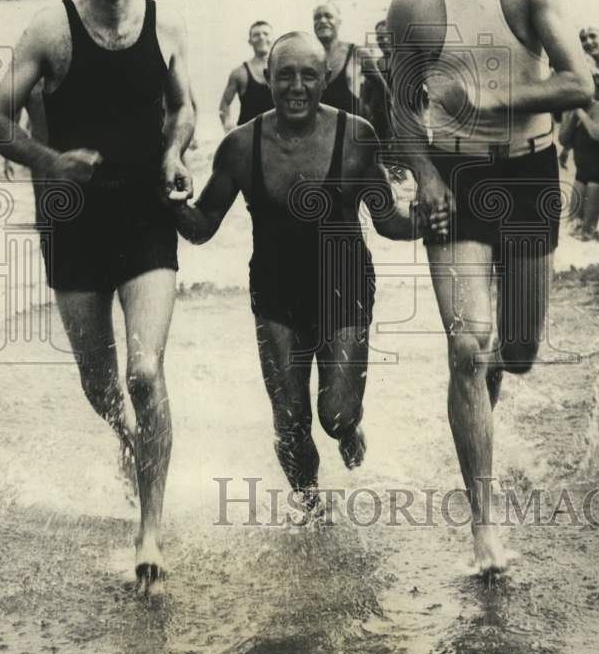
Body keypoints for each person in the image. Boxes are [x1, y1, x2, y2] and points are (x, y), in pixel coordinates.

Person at [388, 0, 593, 574]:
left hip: (530, 173)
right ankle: (483, 525)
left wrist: (490, 99)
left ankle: (477, 410)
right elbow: (402, 109)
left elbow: (578, 84)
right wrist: (425, 178)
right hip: (457, 177)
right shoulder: (413, 5)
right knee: (466, 346)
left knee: (518, 351)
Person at [0, 0, 195, 591]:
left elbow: (183, 107)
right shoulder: (51, 29)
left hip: (144, 219)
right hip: (72, 223)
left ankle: (150, 530)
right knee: (102, 388)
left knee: (145, 372)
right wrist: (51, 162)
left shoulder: (165, 26)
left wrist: (174, 153)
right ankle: (129, 443)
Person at [170, 31, 447, 515]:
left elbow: (388, 221)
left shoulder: (356, 136)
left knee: (335, 415)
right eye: (284, 76)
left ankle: (349, 426)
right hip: (275, 289)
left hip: (345, 284)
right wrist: (170, 201)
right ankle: (312, 508)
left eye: (308, 76)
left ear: (326, 78)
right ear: (267, 78)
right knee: (290, 419)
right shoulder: (240, 146)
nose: (296, 87)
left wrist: (428, 221)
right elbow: (202, 226)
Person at [313, 2, 390, 139]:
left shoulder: (357, 53)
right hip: (319, 137)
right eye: (317, 17)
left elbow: (384, 93)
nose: (322, 20)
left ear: (339, 21)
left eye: (328, 16)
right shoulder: (308, 57)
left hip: (350, 139)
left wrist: (386, 132)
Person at [559, 57, 599, 238]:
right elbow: (563, 140)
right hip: (581, 172)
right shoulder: (568, 108)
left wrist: (581, 113)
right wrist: (572, 115)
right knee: (572, 225)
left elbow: (597, 134)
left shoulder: (596, 106)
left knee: (587, 230)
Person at [218, 20, 274, 131]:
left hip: (276, 135)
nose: (261, 37)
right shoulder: (239, 73)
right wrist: (227, 124)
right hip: (248, 136)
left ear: (272, 38)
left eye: (266, 34)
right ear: (250, 41)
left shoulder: (283, 70)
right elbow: (224, 104)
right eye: (256, 35)